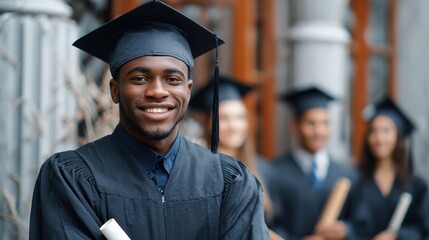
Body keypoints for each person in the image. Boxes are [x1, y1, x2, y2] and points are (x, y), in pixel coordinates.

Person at [29, 1, 269, 239]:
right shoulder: (73, 179)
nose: (157, 91)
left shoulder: (230, 182)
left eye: (172, 79)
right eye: (140, 78)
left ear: (188, 90)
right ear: (114, 90)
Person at [267, 86, 357, 240]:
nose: (319, 131)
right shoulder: (274, 172)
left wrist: (346, 230)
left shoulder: (347, 174)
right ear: (295, 125)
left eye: (325, 123)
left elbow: (362, 223)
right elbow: (268, 224)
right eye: (311, 123)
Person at [189, 75, 275, 222]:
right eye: (224, 118)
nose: (234, 126)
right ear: (209, 123)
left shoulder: (263, 168)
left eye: (240, 117)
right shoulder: (196, 170)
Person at [347, 97, 429, 239]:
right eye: (373, 131)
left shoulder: (417, 185)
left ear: (398, 137)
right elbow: (347, 223)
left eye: (386, 131)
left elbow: (424, 230)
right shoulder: (355, 180)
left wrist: (397, 236)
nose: (379, 138)